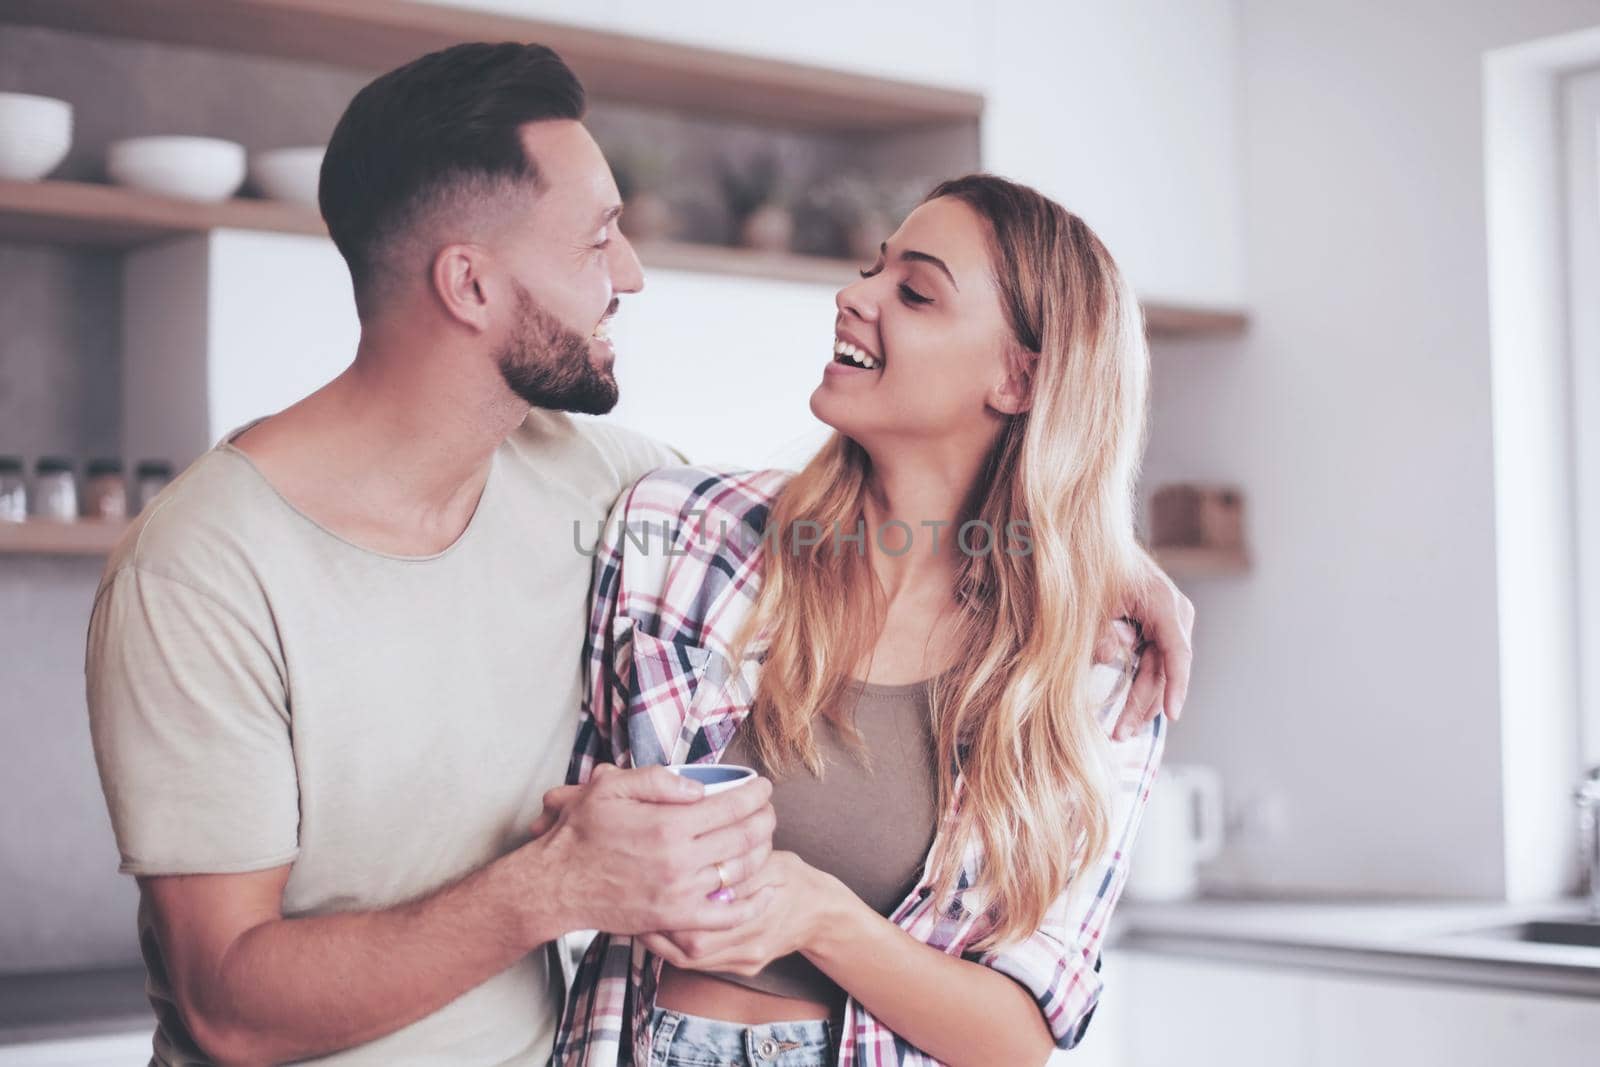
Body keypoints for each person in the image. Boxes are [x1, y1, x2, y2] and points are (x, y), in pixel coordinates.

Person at [83, 42, 1191, 1066]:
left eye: (913, 285)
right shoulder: (203, 568)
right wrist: (554, 886)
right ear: (469, 284)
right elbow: (225, 1004)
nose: (634, 273)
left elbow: (1028, 1019)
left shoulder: (604, 488)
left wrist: (1094, 560)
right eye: (595, 237)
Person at [552, 174, 1168, 1067]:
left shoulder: (1097, 670)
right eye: (873, 270)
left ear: (1019, 377)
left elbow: (1020, 1037)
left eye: (914, 292)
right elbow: (556, 825)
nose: (853, 296)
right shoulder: (682, 531)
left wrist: (822, 917)